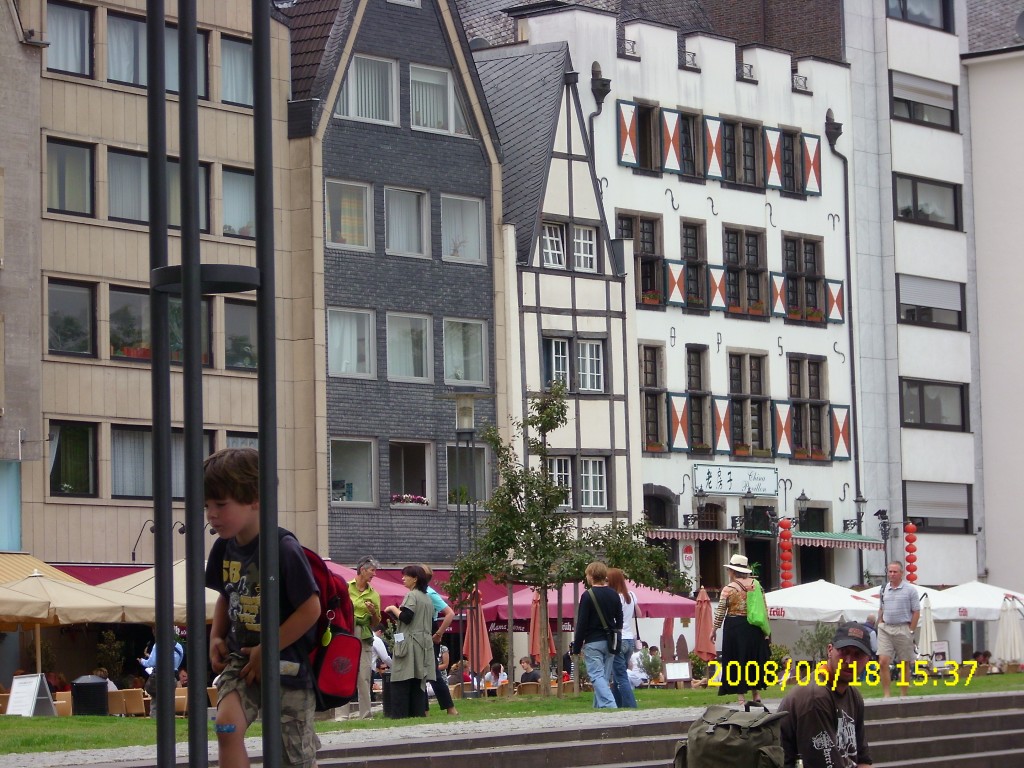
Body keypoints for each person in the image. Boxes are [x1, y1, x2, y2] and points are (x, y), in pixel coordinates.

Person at [203, 447, 321, 768]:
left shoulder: (283, 548)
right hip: (242, 661)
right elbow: (227, 594)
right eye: (207, 505)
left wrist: (267, 649)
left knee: (292, 757)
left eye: (220, 504)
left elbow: (310, 609)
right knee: (226, 727)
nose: (211, 514)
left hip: (287, 665)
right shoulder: (223, 548)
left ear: (255, 499)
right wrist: (216, 636)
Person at [778, 622, 874, 768]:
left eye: (857, 655)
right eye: (844, 652)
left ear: (867, 660)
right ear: (829, 650)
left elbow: (863, 759)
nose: (849, 661)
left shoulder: (854, 696)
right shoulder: (815, 697)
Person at [711, 553, 770, 706]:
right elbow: (764, 609)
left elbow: (720, 611)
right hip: (754, 627)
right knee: (752, 660)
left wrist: (714, 629)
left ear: (733, 571)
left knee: (736, 660)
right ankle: (756, 693)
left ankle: (741, 696)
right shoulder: (757, 586)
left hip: (734, 627)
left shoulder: (729, 589)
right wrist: (766, 630)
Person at [383, 564, 435, 718]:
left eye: (406, 575)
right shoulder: (427, 598)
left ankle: (400, 715)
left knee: (401, 679)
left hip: (409, 644)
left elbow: (406, 617)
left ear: (415, 579)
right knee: (417, 682)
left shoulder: (412, 595)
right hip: (424, 644)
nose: (403, 578)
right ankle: (417, 714)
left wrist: (393, 608)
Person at [571, 560, 623, 709]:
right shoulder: (614, 594)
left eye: (587, 575)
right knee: (604, 677)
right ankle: (599, 707)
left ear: (591, 576)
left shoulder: (588, 596)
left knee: (596, 675)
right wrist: (616, 634)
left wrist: (576, 647)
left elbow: (582, 624)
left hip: (593, 641)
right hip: (610, 641)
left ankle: (610, 705)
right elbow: (619, 619)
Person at [877, 560, 920, 698]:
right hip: (886, 628)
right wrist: (880, 622)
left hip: (903, 627)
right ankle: (887, 695)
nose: (892, 574)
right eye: (890, 571)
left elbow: (916, 611)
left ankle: (903, 694)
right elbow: (881, 608)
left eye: (895, 572)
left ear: (901, 573)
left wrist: (911, 630)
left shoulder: (910, 590)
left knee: (904, 663)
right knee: (883, 661)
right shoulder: (883, 589)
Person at [348, 555, 382, 719]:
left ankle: (366, 714)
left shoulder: (374, 594)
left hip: (364, 634)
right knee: (344, 672)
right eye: (372, 570)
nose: (375, 574)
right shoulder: (346, 588)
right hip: (347, 633)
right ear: (362, 570)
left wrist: (373, 612)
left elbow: (376, 623)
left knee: (364, 675)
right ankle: (341, 715)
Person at [421, 565, 458, 716]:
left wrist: (438, 633)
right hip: (422, 631)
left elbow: (450, 613)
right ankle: (424, 710)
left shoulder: (430, 593)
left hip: (429, 629)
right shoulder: (419, 593)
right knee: (422, 674)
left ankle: (450, 708)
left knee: (432, 673)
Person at [606, 567, 639, 708]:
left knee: (620, 676)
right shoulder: (631, 595)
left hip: (617, 638)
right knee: (618, 674)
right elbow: (639, 613)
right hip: (629, 639)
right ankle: (617, 704)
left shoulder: (614, 597)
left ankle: (631, 705)